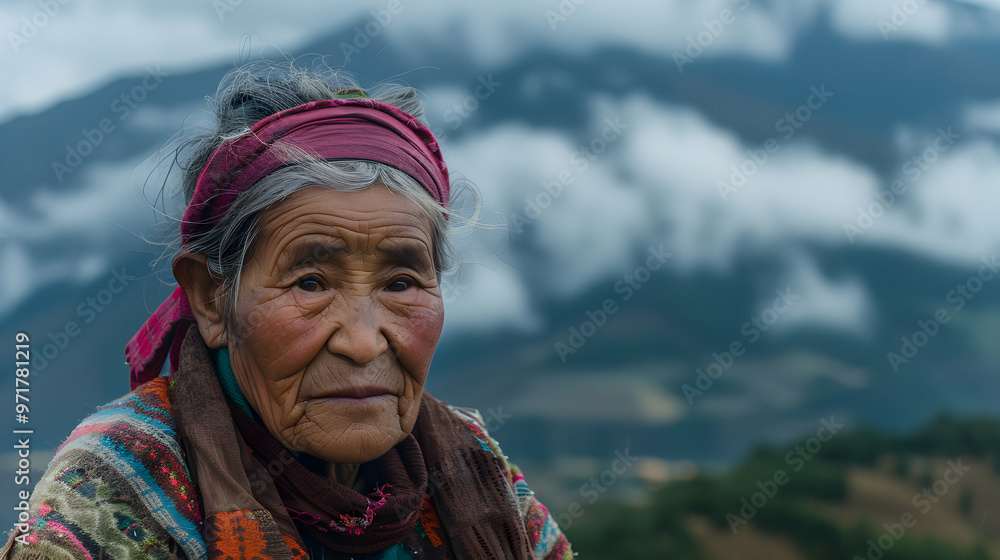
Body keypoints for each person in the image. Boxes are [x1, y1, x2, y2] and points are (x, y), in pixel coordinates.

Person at [1, 62, 574, 560]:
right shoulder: (112, 489)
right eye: (309, 282)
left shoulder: (472, 464)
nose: (364, 342)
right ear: (211, 298)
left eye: (402, 282)